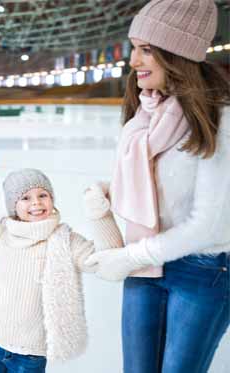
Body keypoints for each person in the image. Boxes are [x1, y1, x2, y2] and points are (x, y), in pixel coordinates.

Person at [84, 1, 230, 372]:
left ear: (177, 54)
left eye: (146, 49)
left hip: (202, 271)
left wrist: (131, 257)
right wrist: (111, 192)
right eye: (134, 47)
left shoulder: (220, 119)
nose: (133, 61)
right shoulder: (146, 114)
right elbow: (157, 191)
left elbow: (208, 225)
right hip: (147, 268)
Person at [0, 169, 123, 372]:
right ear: (13, 206)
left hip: (30, 355)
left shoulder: (64, 240)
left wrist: (100, 214)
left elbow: (107, 261)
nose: (36, 202)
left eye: (43, 195)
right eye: (26, 197)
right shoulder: (2, 232)